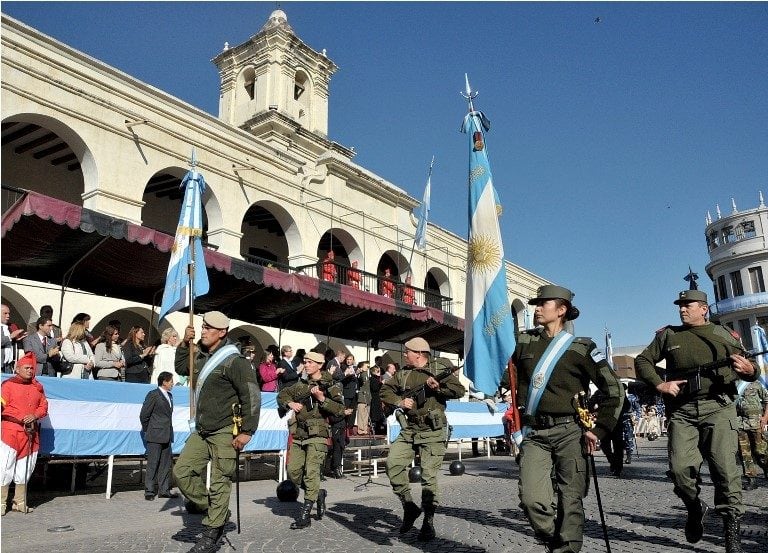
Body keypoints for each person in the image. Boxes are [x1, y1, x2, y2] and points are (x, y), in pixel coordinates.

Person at [635, 289, 759, 552]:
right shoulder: (669, 335)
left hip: (718, 408)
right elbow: (643, 361)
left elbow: (750, 368)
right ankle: (694, 506)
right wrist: (660, 384)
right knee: (680, 470)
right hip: (682, 411)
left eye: (687, 305)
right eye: (680, 306)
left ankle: (731, 529)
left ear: (703, 308)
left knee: (725, 470)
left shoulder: (723, 334)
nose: (682, 309)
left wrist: (749, 371)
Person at [514, 285, 623, 553]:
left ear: (561, 310)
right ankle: (554, 538)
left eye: (543, 303)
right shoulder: (524, 342)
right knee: (531, 500)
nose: (537, 308)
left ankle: (568, 548)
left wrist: (599, 430)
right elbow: (506, 376)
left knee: (571, 499)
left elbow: (614, 389)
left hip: (571, 432)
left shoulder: (582, 348)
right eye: (536, 304)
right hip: (535, 434)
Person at [173, 311, 260, 553]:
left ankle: (212, 533)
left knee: (220, 481)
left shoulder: (236, 361)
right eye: (202, 326)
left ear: (222, 332)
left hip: (225, 429)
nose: (203, 331)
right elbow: (181, 367)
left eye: (208, 328)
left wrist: (247, 431)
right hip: (201, 430)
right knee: (181, 472)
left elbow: (251, 396)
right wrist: (185, 342)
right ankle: (216, 510)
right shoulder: (201, 355)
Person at [380, 336, 465, 542]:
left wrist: (438, 388)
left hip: (433, 430)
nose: (404, 354)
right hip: (409, 428)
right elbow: (385, 391)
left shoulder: (439, 368)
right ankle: (409, 506)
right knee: (393, 465)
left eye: (407, 351)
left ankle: (428, 520)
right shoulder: (403, 374)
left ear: (419, 353)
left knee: (428, 477)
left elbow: (459, 390)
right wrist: (400, 401)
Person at [278, 351, 345, 529]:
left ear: (319, 364)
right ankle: (318, 493)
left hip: (318, 434)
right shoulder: (301, 385)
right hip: (300, 433)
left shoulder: (331, 384)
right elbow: (282, 395)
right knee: (293, 472)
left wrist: (322, 399)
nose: (305, 365)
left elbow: (340, 409)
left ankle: (305, 515)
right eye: (305, 361)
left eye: (309, 362)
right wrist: (290, 404)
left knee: (312, 471)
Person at [1, 352, 48, 515]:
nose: (30, 371)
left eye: (32, 368)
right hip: (10, 432)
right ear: (18, 369)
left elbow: (43, 407)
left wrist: (34, 415)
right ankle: (1, 503)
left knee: (25, 469)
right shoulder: (7, 385)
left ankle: (19, 502)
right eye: (27, 368)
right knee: (4, 467)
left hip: (30, 434)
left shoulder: (38, 387)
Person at [140, 371, 178, 500]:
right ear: (164, 382)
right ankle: (149, 491)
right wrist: (149, 429)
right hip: (155, 434)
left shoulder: (170, 396)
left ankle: (164, 490)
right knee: (153, 463)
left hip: (167, 434)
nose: (172, 383)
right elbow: (144, 415)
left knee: (165, 464)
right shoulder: (153, 395)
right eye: (171, 381)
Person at [735, 380, 768, 491]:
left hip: (756, 423)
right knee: (745, 453)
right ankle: (752, 479)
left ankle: (766, 468)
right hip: (740, 423)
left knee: (761, 452)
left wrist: (765, 418)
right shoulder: (735, 384)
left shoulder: (757, 384)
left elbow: (767, 400)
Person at [2, 304, 27, 374]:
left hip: (9, 366)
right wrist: (11, 336)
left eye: (9, 313)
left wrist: (18, 339)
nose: (8, 316)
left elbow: (9, 342)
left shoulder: (10, 326)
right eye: (5, 313)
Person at [355, 361, 371, 434]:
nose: (368, 367)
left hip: (367, 397)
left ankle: (364, 428)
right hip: (362, 397)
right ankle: (361, 429)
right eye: (366, 366)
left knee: (366, 414)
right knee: (361, 414)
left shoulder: (367, 374)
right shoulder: (362, 374)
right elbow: (362, 379)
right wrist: (360, 371)